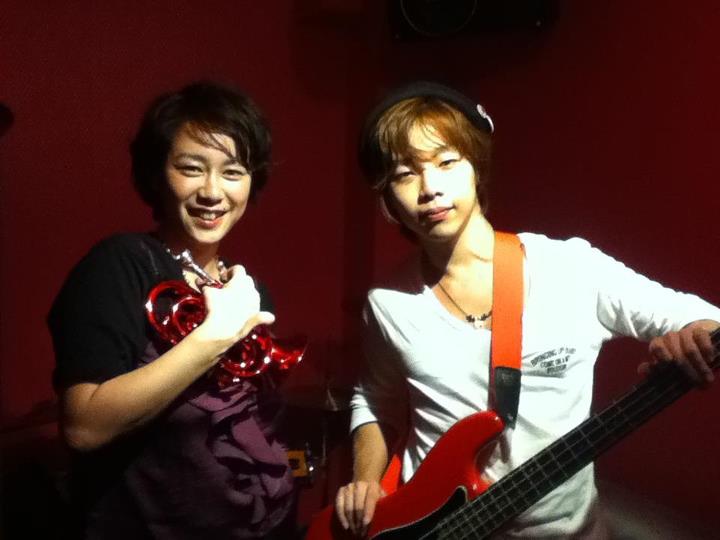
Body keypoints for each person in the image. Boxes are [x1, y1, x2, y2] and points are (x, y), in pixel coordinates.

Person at [334, 81, 720, 538]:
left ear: (476, 166)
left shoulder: (569, 268)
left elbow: (702, 319)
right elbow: (374, 398)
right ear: (387, 200)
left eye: (446, 162)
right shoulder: (387, 303)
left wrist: (693, 335)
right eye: (404, 174)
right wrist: (366, 479)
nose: (430, 188)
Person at [48, 82, 300, 539]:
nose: (212, 191)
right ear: (157, 174)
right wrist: (213, 337)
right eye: (191, 168)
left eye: (233, 172)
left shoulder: (247, 293)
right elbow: (83, 426)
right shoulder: (122, 264)